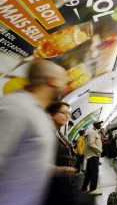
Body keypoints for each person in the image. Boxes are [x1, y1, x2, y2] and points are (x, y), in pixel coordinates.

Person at [0, 59, 70, 205]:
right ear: (52, 81)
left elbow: (27, 159)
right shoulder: (16, 107)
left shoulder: (38, 113)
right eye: (64, 78)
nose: (67, 82)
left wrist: (58, 169)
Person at [44, 102, 92, 205]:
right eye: (63, 112)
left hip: (61, 184)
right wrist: (64, 169)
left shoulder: (59, 133)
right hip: (52, 187)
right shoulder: (46, 134)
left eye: (68, 113)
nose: (67, 116)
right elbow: (41, 166)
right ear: (51, 114)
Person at [81, 120, 103, 195]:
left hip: (92, 154)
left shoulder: (93, 131)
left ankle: (84, 188)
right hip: (93, 155)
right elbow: (91, 144)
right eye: (99, 124)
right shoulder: (92, 132)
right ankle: (93, 189)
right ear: (95, 124)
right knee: (94, 172)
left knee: (89, 173)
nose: (100, 125)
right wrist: (99, 150)